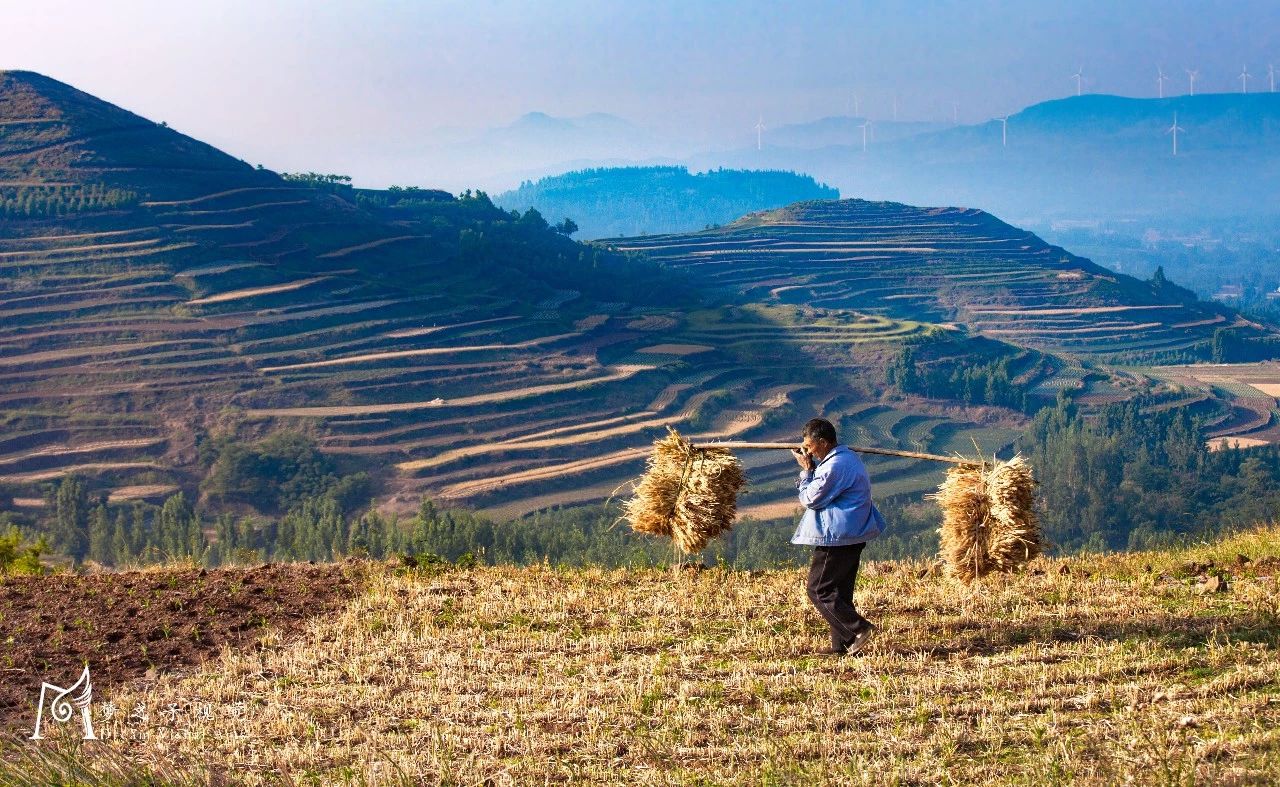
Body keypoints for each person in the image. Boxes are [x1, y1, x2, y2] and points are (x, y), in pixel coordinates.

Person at [791, 417, 885, 655]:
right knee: (840, 594)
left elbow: (811, 499)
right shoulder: (847, 458)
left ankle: (858, 629)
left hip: (837, 535)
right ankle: (841, 646)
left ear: (823, 443)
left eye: (810, 446)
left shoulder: (835, 466)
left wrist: (806, 472)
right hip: (853, 533)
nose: (807, 450)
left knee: (818, 589)